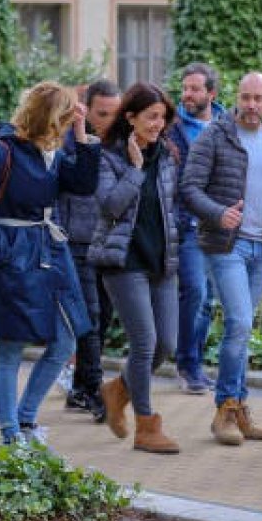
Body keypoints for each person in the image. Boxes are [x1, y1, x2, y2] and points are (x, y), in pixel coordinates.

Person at [0, 81, 99, 445]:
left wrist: (82, 135)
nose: (70, 123)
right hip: (15, 253)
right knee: (10, 347)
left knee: (67, 340)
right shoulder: (2, 150)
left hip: (48, 251)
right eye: (67, 117)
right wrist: (3, 254)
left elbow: (84, 184)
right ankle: (10, 432)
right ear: (50, 118)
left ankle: (25, 418)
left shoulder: (50, 151)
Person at [180, 71, 262, 446]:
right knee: (239, 321)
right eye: (245, 97)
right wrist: (217, 213)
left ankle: (240, 407)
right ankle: (226, 408)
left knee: (242, 330)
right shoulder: (215, 134)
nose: (250, 105)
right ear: (236, 97)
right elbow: (189, 187)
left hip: (260, 249)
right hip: (226, 246)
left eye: (258, 99)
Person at [88, 82, 182, 454]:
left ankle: (118, 389)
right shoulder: (108, 156)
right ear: (130, 118)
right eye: (150, 117)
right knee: (144, 342)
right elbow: (110, 205)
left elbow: (171, 206)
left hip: (161, 259)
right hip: (123, 261)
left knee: (166, 343)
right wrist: (136, 168)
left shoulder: (168, 154)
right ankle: (146, 424)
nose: (158, 124)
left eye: (162, 117)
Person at [57, 79, 122, 422]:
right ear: (86, 109)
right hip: (77, 240)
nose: (109, 120)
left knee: (105, 318)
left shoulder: (124, 142)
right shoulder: (69, 140)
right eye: (102, 113)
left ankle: (80, 389)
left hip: (110, 242)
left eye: (115, 113)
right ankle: (97, 393)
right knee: (91, 317)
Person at [169, 63, 227, 395]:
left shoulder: (226, 127)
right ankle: (187, 364)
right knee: (195, 290)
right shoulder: (172, 129)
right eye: (185, 88)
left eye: (194, 89)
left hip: (218, 225)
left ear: (211, 94)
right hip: (187, 224)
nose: (187, 95)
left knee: (209, 301)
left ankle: (194, 363)